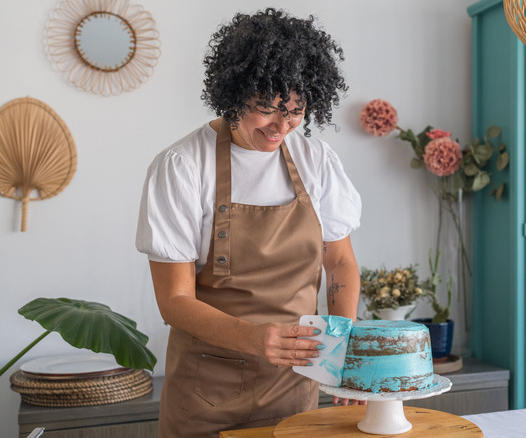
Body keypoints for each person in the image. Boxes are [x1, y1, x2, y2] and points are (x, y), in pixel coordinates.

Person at [135, 8, 362, 437]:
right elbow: (174, 301)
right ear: (233, 92)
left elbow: (341, 263)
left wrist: (342, 345)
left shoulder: (317, 161)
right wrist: (256, 339)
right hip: (206, 396)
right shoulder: (183, 166)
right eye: (266, 109)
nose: (282, 127)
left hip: (297, 387)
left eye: (296, 111)